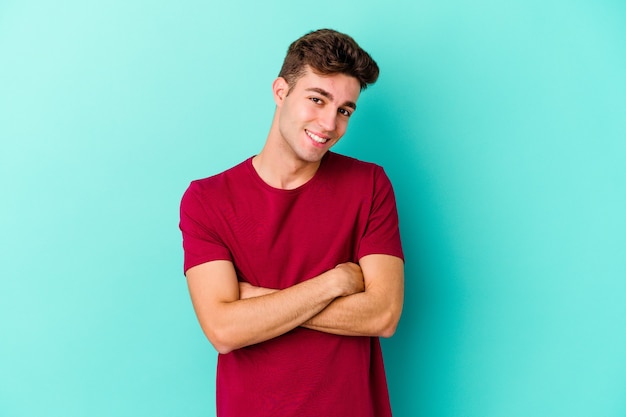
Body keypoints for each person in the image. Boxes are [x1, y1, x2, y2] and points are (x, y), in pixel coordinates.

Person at [179, 28, 404, 417]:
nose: (329, 123)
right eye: (317, 100)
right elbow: (223, 331)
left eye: (344, 110)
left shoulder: (370, 185)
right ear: (281, 92)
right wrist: (333, 283)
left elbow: (383, 315)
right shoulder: (207, 199)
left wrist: (257, 301)